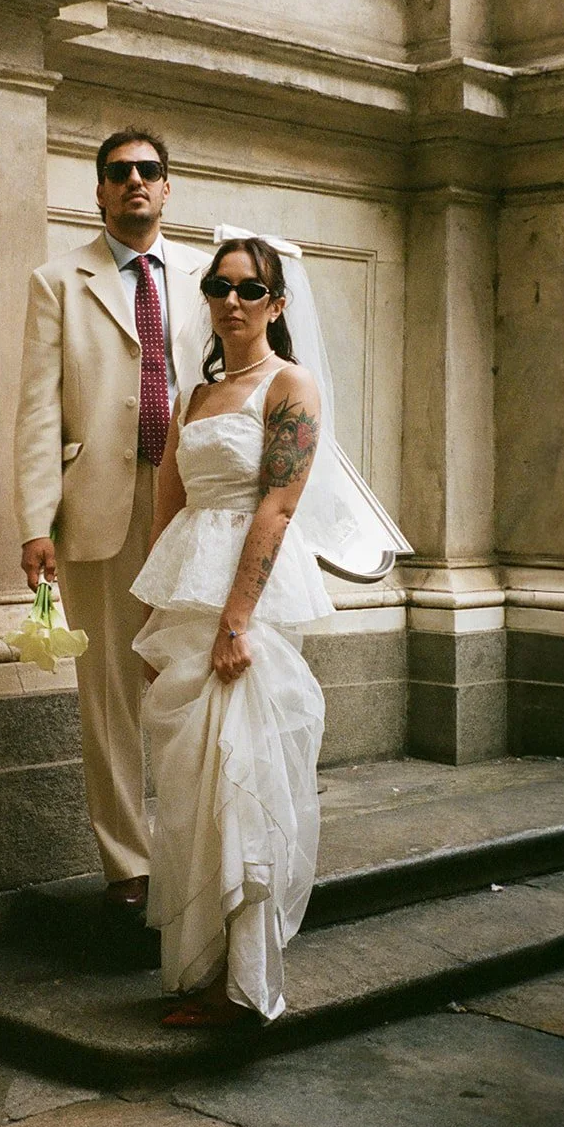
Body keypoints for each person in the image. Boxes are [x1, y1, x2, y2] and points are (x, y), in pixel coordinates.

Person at [130, 235, 334, 1026]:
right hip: (184, 593)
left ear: (276, 305)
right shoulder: (195, 397)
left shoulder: (290, 387)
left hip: (240, 605)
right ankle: (202, 962)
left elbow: (278, 505)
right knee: (188, 789)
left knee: (241, 777)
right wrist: (151, 622)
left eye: (250, 290)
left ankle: (243, 983)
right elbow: (166, 509)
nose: (232, 301)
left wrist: (236, 620)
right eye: (219, 286)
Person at [14, 127, 208, 911]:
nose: (134, 182)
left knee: (193, 671)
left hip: (193, 500)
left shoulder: (206, 277)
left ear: (167, 189)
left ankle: (197, 845)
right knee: (110, 691)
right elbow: (35, 412)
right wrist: (35, 521)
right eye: (118, 172)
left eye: (149, 171)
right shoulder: (58, 280)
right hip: (101, 503)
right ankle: (128, 863)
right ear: (98, 191)